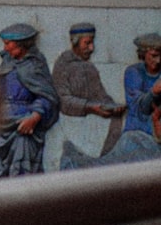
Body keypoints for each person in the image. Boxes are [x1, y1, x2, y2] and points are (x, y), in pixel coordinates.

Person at [0, 23, 60, 178]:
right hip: (1, 128)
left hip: (23, 127)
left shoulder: (35, 65)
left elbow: (47, 96)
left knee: (21, 173)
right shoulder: (6, 64)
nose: (5, 48)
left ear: (21, 45)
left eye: (8, 44)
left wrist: (35, 117)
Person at [49, 23, 126, 162]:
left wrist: (111, 106)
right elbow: (63, 99)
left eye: (92, 43)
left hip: (91, 120)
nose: (91, 48)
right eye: (87, 43)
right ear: (75, 42)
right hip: (70, 122)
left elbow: (100, 94)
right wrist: (90, 107)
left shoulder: (89, 67)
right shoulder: (63, 65)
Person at [122, 33, 161, 139]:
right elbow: (140, 108)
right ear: (143, 54)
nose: (158, 60)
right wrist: (154, 91)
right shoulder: (134, 72)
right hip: (138, 132)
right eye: (154, 55)